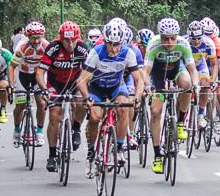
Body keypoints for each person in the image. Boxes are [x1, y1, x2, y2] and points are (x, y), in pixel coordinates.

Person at [75, 20, 143, 173]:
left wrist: (137, 97)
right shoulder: (97, 52)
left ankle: (119, 148)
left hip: (116, 86)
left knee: (123, 108)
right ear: (105, 42)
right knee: (95, 117)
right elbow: (81, 80)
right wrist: (87, 97)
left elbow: (139, 80)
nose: (114, 48)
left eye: (117, 44)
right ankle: (91, 152)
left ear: (122, 42)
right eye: (110, 44)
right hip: (97, 88)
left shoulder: (128, 53)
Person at [144, 18, 198, 174]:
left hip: (176, 70)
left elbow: (193, 70)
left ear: (177, 36)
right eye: (166, 38)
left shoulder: (183, 44)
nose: (169, 42)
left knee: (187, 84)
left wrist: (195, 85)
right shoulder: (154, 44)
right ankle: (157, 156)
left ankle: (180, 122)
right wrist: (149, 87)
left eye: (172, 38)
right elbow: (146, 72)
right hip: (158, 75)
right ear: (160, 37)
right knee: (155, 112)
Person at [36, 21, 89, 172]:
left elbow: (89, 72)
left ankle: (76, 128)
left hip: (75, 82)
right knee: (54, 115)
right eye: (66, 40)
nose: (70, 44)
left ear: (78, 38)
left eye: (73, 40)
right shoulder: (53, 48)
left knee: (81, 102)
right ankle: (52, 155)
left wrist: (86, 91)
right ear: (61, 38)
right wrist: (43, 89)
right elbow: (40, 72)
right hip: (55, 83)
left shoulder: (83, 49)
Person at [10, 21, 49, 147]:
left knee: (42, 103)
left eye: (39, 38)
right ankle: (17, 131)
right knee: (20, 105)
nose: (36, 41)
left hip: (38, 75)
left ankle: (39, 132)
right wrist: (11, 85)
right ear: (28, 36)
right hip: (23, 75)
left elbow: (51, 67)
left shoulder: (46, 46)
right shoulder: (22, 47)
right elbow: (12, 67)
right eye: (33, 38)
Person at [184, 20, 219, 129]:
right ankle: (182, 116)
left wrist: (213, 80)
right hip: (185, 66)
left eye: (199, 38)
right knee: (185, 88)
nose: (196, 41)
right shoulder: (183, 42)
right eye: (193, 38)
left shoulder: (208, 43)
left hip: (200, 65)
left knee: (206, 84)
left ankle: (201, 114)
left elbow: (214, 64)